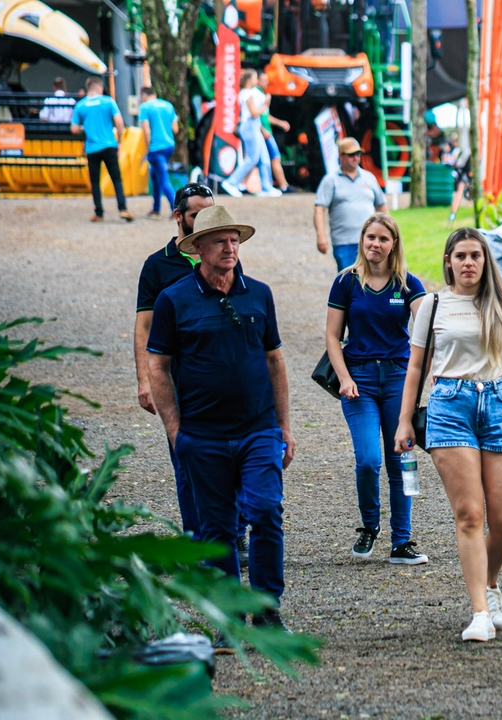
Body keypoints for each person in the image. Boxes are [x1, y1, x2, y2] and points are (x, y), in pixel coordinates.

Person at [147, 205, 295, 637]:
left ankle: (267, 610)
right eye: (220, 241)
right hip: (203, 435)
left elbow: (275, 360)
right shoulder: (174, 299)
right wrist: (175, 430)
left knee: (265, 511)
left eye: (234, 240)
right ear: (198, 248)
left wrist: (284, 427)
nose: (230, 248)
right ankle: (228, 619)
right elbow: (158, 367)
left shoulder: (259, 294)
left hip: (258, 429)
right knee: (217, 530)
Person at [395, 228, 502, 643]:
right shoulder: (432, 305)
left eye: (475, 256)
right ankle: (480, 612)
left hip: (499, 404)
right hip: (450, 406)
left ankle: (490, 582)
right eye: (460, 255)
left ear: (485, 260)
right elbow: (415, 366)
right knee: (469, 515)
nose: (468, 263)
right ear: (448, 261)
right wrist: (405, 420)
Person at [325, 213, 429, 565]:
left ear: (394, 244)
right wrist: (344, 378)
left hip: (399, 379)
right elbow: (332, 336)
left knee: (403, 460)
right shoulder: (346, 282)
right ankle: (370, 525)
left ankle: (402, 540)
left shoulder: (408, 284)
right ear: (362, 239)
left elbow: (427, 328)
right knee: (369, 460)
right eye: (371, 237)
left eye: (384, 239)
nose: (376, 244)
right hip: (359, 381)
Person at [136, 183, 217, 539]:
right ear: (178, 216)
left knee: (229, 457)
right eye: (197, 214)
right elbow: (144, 326)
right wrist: (144, 379)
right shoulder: (157, 265)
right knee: (185, 458)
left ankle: (232, 533)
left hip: (220, 375)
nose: (204, 221)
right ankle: (195, 537)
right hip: (177, 380)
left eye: (209, 213)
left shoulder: (223, 256)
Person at [315, 137, 388, 272]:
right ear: (341, 156)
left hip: (370, 242)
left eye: (358, 154)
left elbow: (381, 205)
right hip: (344, 242)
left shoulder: (369, 178)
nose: (355, 158)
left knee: (373, 279)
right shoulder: (331, 180)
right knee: (349, 279)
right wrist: (321, 236)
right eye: (351, 155)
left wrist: (387, 231)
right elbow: (319, 209)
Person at [71, 77, 133, 222]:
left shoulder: (81, 105)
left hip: (92, 148)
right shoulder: (108, 101)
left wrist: (85, 128)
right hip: (109, 145)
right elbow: (119, 123)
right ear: (99, 88)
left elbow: (73, 128)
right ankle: (123, 209)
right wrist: (120, 141)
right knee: (116, 178)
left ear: (88, 88)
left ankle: (99, 213)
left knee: (95, 181)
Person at [220, 70, 280, 199]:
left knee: (264, 158)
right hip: (250, 126)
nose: (256, 80)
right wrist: (266, 105)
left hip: (254, 126)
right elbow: (254, 113)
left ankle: (267, 187)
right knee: (252, 158)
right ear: (248, 80)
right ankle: (231, 182)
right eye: (254, 78)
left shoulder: (250, 92)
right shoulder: (247, 93)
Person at [138, 86, 178, 219]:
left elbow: (146, 131)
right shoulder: (168, 105)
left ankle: (176, 208)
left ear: (144, 95)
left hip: (155, 147)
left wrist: (147, 149)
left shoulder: (145, 108)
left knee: (163, 178)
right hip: (169, 146)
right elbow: (175, 129)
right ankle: (156, 209)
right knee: (155, 176)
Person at [257, 72, 294, 194]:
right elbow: (255, 115)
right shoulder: (256, 94)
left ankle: (278, 185)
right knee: (273, 157)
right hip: (264, 132)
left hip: (266, 131)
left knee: (264, 159)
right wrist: (263, 129)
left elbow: (265, 115)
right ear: (256, 80)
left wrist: (280, 123)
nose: (266, 82)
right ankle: (282, 185)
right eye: (263, 80)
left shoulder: (261, 94)